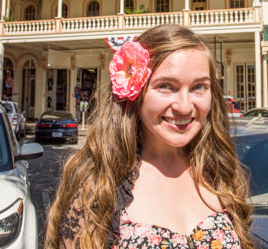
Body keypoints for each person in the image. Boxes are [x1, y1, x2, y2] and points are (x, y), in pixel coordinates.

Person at [46, 25, 253, 248]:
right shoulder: (98, 186)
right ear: (136, 92)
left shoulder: (220, 173)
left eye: (199, 86)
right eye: (166, 86)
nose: (184, 106)